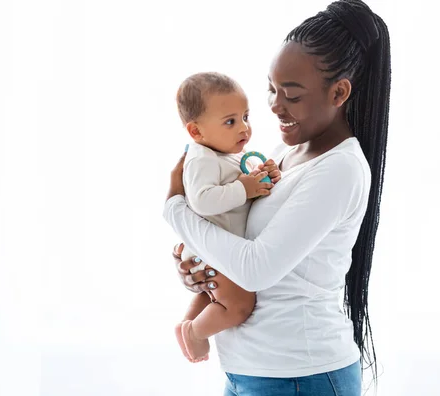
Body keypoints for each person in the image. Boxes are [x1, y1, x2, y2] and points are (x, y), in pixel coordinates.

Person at [165, 0, 390, 394]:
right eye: (271, 88)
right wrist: (202, 271)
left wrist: (176, 210)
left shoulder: (340, 169)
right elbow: (238, 244)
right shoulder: (285, 153)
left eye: (291, 94)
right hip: (251, 373)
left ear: (339, 92)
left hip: (300, 377)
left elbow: (255, 269)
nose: (274, 105)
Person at [173, 72, 281, 363]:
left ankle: (186, 327)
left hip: (214, 250)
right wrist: (244, 188)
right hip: (209, 251)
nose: (244, 127)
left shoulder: (223, 156)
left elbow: (236, 200)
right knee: (239, 305)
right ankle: (195, 333)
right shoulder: (201, 158)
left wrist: (259, 181)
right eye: (231, 121)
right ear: (196, 132)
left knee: (215, 296)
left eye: (246, 116)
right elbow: (203, 200)